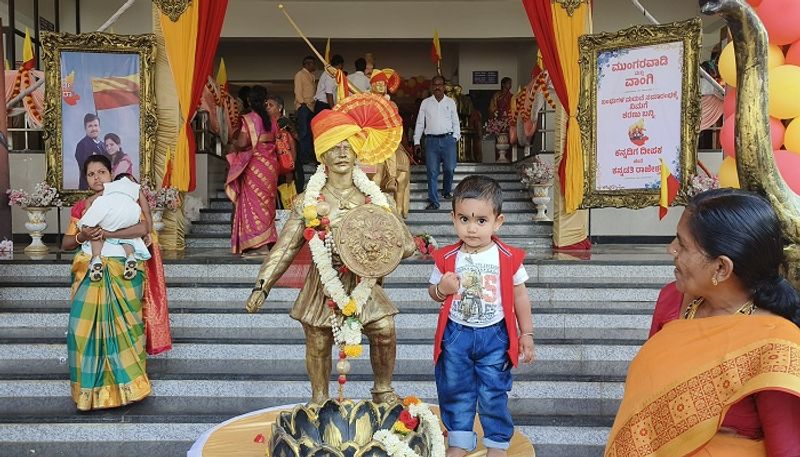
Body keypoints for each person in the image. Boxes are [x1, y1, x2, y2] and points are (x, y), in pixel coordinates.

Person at [245, 93, 415, 405]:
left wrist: (378, 241)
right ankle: (320, 400)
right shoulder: (308, 203)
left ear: (356, 152)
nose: (341, 153)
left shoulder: (378, 199)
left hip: (363, 281)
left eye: (346, 146)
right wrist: (262, 286)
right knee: (318, 340)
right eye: (333, 148)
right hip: (323, 283)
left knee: (385, 328)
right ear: (322, 156)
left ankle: (383, 391)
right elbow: (283, 249)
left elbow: (405, 246)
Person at [606, 189, 800, 457]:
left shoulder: (776, 344)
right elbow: (650, 398)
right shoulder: (671, 301)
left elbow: (788, 448)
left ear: (721, 268)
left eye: (683, 245)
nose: (671, 249)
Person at [428, 175, 535, 457]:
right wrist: (442, 288)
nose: (472, 228)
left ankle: (497, 443)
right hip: (457, 334)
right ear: (453, 218)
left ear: (498, 221)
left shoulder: (507, 257)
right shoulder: (448, 257)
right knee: (455, 389)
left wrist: (527, 334)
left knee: (493, 392)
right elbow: (433, 292)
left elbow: (521, 296)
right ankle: (460, 440)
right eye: (464, 219)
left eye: (481, 221)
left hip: (495, 334)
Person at [60, 155, 152, 411]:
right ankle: (90, 394)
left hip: (124, 273)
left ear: (112, 174)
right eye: (91, 174)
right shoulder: (82, 207)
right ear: (86, 179)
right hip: (91, 273)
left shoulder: (126, 198)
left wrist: (108, 234)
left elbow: (144, 228)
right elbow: (66, 243)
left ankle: (129, 390)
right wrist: (82, 234)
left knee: (125, 331)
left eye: (102, 172)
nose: (97, 178)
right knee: (82, 331)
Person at [226, 85, 279, 256]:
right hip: (270, 168)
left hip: (255, 166)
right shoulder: (271, 120)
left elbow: (242, 143)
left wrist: (233, 144)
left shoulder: (249, 119)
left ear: (249, 100)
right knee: (267, 204)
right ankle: (268, 240)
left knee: (254, 204)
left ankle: (259, 245)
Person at [78, 174, 152, 281]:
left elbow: (89, 200)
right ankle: (130, 256)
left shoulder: (111, 186)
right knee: (128, 237)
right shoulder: (136, 188)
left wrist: (92, 216)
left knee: (96, 232)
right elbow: (146, 210)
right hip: (129, 213)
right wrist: (148, 231)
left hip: (108, 210)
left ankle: (96, 258)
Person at [414, 75, 461, 210]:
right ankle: (434, 201)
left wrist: (455, 137)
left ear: (444, 87)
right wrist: (417, 141)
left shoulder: (450, 102)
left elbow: (455, 121)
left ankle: (446, 192)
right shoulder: (426, 103)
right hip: (431, 142)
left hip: (448, 140)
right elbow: (420, 123)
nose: (437, 87)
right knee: (432, 172)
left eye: (440, 84)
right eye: (434, 85)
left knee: (449, 169)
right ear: (431, 87)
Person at [266, 95, 297, 203]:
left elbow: (293, 146)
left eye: (271, 105)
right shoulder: (267, 124)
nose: (267, 107)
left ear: (279, 108)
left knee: (286, 202)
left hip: (285, 169)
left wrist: (290, 169)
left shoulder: (284, 123)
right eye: (266, 105)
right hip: (272, 168)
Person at [293, 56, 316, 193]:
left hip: (310, 106)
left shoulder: (311, 76)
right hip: (304, 106)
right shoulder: (300, 75)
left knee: (309, 132)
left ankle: (308, 156)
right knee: (303, 132)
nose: (315, 66)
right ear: (307, 64)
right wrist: (302, 104)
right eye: (313, 63)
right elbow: (298, 91)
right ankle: (303, 157)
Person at [75, 113, 109, 190]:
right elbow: (85, 168)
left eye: (95, 125)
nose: (93, 128)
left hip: (104, 187)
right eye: (90, 126)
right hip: (89, 187)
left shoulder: (103, 145)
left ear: (99, 127)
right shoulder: (82, 145)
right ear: (85, 128)